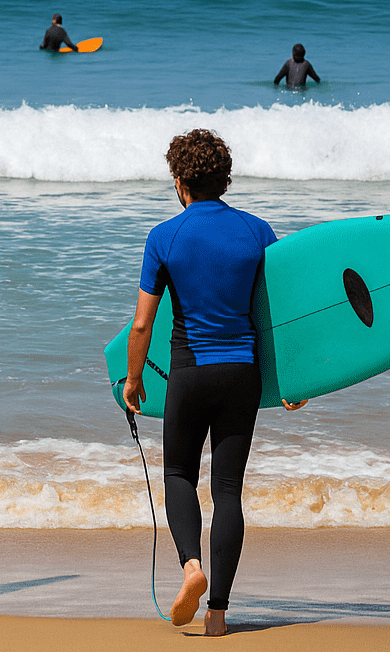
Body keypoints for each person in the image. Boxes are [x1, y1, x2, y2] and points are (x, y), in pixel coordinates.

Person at [121, 130, 305, 637]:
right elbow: (279, 315)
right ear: (224, 179)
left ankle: (191, 568)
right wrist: (293, 378)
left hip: (190, 372)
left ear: (179, 182)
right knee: (228, 490)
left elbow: (140, 325)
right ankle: (218, 615)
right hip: (242, 375)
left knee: (179, 475)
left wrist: (133, 381)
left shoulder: (165, 237)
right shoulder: (257, 231)